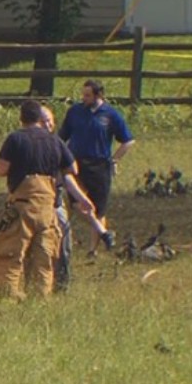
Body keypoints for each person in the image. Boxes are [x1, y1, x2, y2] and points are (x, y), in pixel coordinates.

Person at [0, 100, 95, 301]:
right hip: (48, 209)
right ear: (40, 118)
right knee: (44, 256)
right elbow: (73, 169)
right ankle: (39, 298)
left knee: (10, 254)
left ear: (21, 118)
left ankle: (6, 297)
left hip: (23, 207)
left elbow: (1, 169)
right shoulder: (54, 140)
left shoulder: (15, 138)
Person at [58, 79, 135, 257]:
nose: (83, 98)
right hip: (76, 163)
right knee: (77, 204)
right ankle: (103, 232)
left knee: (99, 208)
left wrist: (114, 160)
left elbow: (127, 141)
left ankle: (93, 249)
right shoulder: (75, 112)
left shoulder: (110, 115)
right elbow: (62, 137)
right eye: (83, 94)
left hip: (100, 165)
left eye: (88, 95)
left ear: (99, 95)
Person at [39, 106, 113, 289]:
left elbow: (68, 175)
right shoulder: (23, 142)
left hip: (54, 203)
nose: (47, 124)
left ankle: (62, 283)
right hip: (33, 205)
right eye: (43, 121)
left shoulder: (57, 144)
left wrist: (82, 198)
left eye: (50, 120)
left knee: (64, 240)